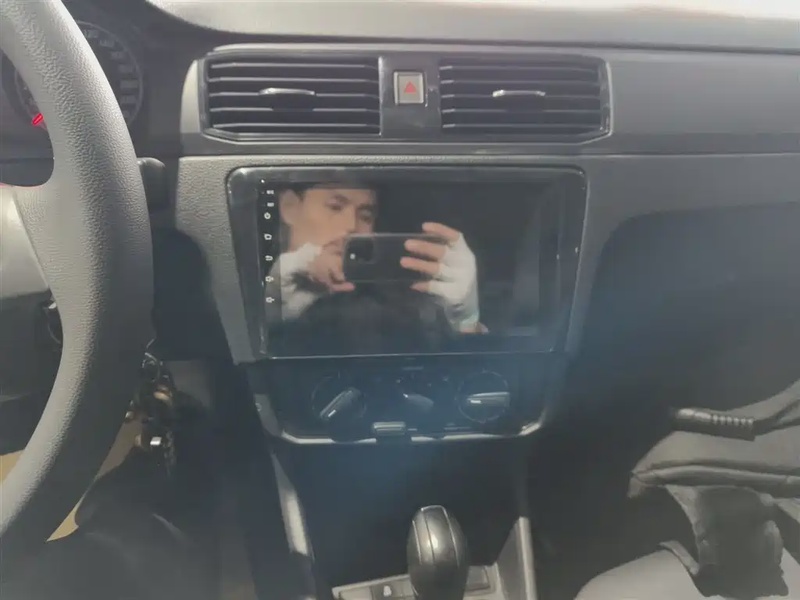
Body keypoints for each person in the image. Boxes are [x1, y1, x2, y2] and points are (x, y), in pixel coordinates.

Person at [265, 182, 482, 333]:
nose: (351, 226)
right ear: (289, 207)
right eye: (335, 207)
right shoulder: (251, 282)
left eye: (365, 215)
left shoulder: (398, 308)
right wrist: (270, 309)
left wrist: (466, 324)